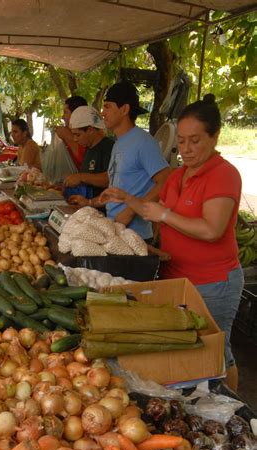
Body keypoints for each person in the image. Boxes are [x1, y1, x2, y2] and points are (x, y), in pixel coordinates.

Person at [100, 94, 243, 391]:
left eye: (195, 140)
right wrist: (127, 199)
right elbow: (153, 210)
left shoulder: (223, 175)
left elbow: (211, 230)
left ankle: (234, 407)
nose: (186, 149)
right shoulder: (179, 174)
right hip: (176, 277)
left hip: (212, 282)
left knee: (217, 351)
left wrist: (164, 215)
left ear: (215, 137)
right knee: (188, 350)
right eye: (181, 140)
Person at [96, 81, 170, 241]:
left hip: (136, 236)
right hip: (115, 230)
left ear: (124, 109)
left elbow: (165, 180)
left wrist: (131, 211)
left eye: (107, 106)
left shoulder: (143, 142)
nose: (103, 112)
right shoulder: (118, 142)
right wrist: (90, 202)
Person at [63, 106, 114, 200]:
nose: (75, 139)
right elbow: (87, 182)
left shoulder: (109, 147)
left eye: (78, 135)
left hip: (102, 210)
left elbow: (110, 179)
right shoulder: (88, 148)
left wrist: (81, 177)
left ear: (90, 130)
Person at [55, 95, 88, 170]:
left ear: (76, 114)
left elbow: (84, 160)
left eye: (65, 112)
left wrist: (67, 136)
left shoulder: (88, 132)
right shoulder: (67, 132)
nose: (62, 117)